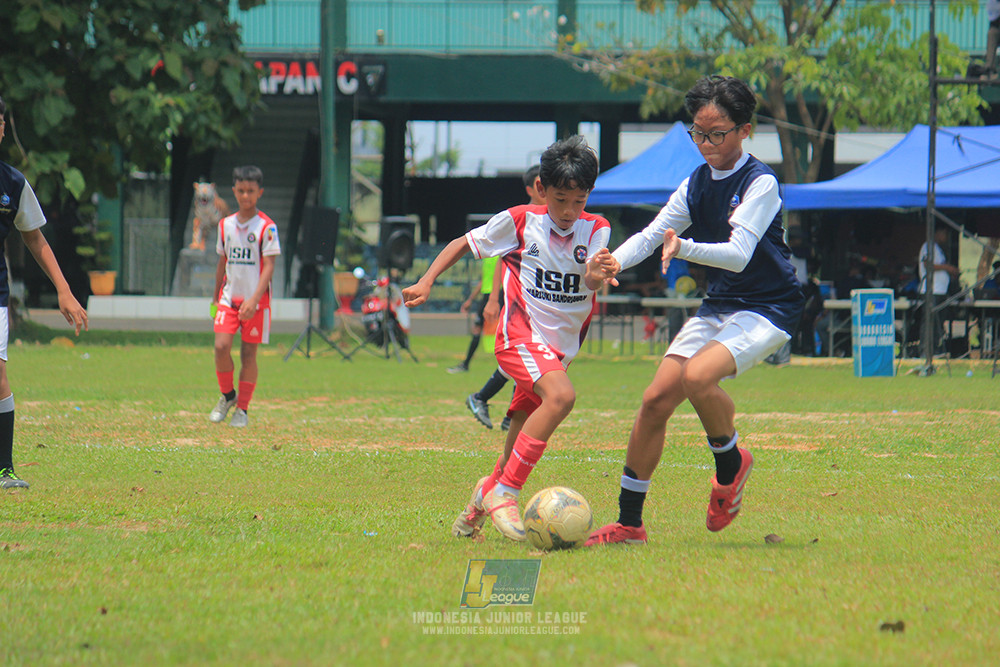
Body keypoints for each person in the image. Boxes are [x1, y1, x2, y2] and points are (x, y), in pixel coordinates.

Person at [585, 75, 804, 546]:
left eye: (717, 134)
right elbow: (653, 234)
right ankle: (629, 524)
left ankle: (731, 464)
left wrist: (684, 247)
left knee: (698, 377)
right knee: (655, 400)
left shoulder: (760, 182)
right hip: (721, 303)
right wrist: (612, 262)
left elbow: (739, 254)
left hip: (769, 306)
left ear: (745, 130)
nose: (706, 144)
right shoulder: (697, 182)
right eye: (698, 134)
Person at [402, 136, 616, 542]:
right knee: (562, 398)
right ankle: (506, 492)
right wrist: (426, 280)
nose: (569, 211)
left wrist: (597, 273)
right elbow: (462, 243)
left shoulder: (597, 228)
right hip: (518, 336)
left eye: (579, 200)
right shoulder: (520, 221)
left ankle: (474, 511)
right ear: (541, 188)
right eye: (560, 199)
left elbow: (591, 276)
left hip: (557, 354)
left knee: (515, 448)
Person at [0, 94, 89, 489]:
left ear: (3, 129)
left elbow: (35, 239)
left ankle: (4, 470)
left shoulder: (13, 183)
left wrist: (64, 290)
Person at [465, 165, 543, 431]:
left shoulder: (553, 219)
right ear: (531, 189)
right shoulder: (521, 219)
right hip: (519, 302)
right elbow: (501, 259)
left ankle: (500, 409)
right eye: (541, 184)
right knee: (526, 357)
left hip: (541, 303)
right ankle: (495, 406)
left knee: (531, 360)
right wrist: (492, 300)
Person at [208, 166, 281, 428]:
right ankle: (228, 396)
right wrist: (215, 298)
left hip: (256, 303)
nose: (245, 196)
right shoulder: (225, 225)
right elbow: (222, 262)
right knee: (221, 347)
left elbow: (269, 266)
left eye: (251, 191)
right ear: (234, 191)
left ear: (260, 192)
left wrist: (254, 300)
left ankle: (243, 410)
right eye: (241, 190)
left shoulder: (267, 227)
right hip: (228, 299)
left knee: (248, 355)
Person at [917, 226, 960, 355]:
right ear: (938, 232)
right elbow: (927, 264)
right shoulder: (928, 246)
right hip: (931, 290)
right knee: (929, 321)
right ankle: (925, 351)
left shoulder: (938, 249)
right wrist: (947, 268)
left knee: (938, 323)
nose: (946, 237)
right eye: (944, 233)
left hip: (941, 291)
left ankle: (934, 349)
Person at [986, 0, 1000, 75]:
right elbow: (993, 21)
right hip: (997, 29)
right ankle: (989, 67)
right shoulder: (992, 3)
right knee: (991, 33)